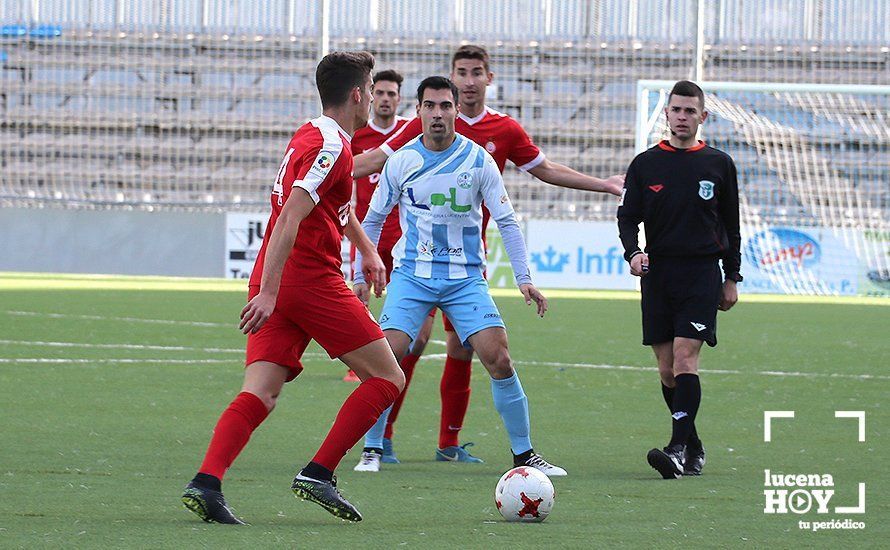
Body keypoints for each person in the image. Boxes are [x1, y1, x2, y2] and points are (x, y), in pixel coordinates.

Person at [353, 45, 625, 465]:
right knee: (392, 351)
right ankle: (373, 447)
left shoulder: (481, 158)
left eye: (446, 106)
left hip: (465, 278)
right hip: (413, 274)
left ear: (457, 109)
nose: (439, 113)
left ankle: (523, 454)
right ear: (419, 111)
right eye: (430, 106)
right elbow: (370, 219)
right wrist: (360, 271)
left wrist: (524, 277)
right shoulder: (402, 156)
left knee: (496, 355)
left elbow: (508, 220)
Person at [180, 51, 405, 524]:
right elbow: (292, 214)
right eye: (369, 91)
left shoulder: (311, 134)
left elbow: (332, 207)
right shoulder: (332, 148)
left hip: (276, 273)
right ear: (359, 95)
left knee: (260, 393)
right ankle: (319, 473)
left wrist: (364, 248)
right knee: (387, 378)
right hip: (305, 278)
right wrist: (271, 293)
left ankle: (207, 482)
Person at [616, 80, 742, 479]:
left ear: (702, 117)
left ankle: (674, 448)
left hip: (701, 273)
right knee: (667, 369)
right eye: (677, 110)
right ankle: (694, 445)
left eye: (691, 111)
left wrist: (732, 277)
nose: (683, 117)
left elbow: (732, 226)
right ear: (667, 114)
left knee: (686, 357)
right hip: (658, 274)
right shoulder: (645, 164)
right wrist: (633, 252)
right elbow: (626, 216)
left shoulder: (719, 164)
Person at [345, 69, 437, 464]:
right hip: (366, 245)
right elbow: (345, 197)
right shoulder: (357, 141)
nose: (383, 99)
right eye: (377, 92)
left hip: (409, 253)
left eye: (390, 93)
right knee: (378, 345)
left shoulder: (409, 137)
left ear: (401, 100)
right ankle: (371, 438)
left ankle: (385, 430)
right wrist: (355, 263)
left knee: (413, 343)